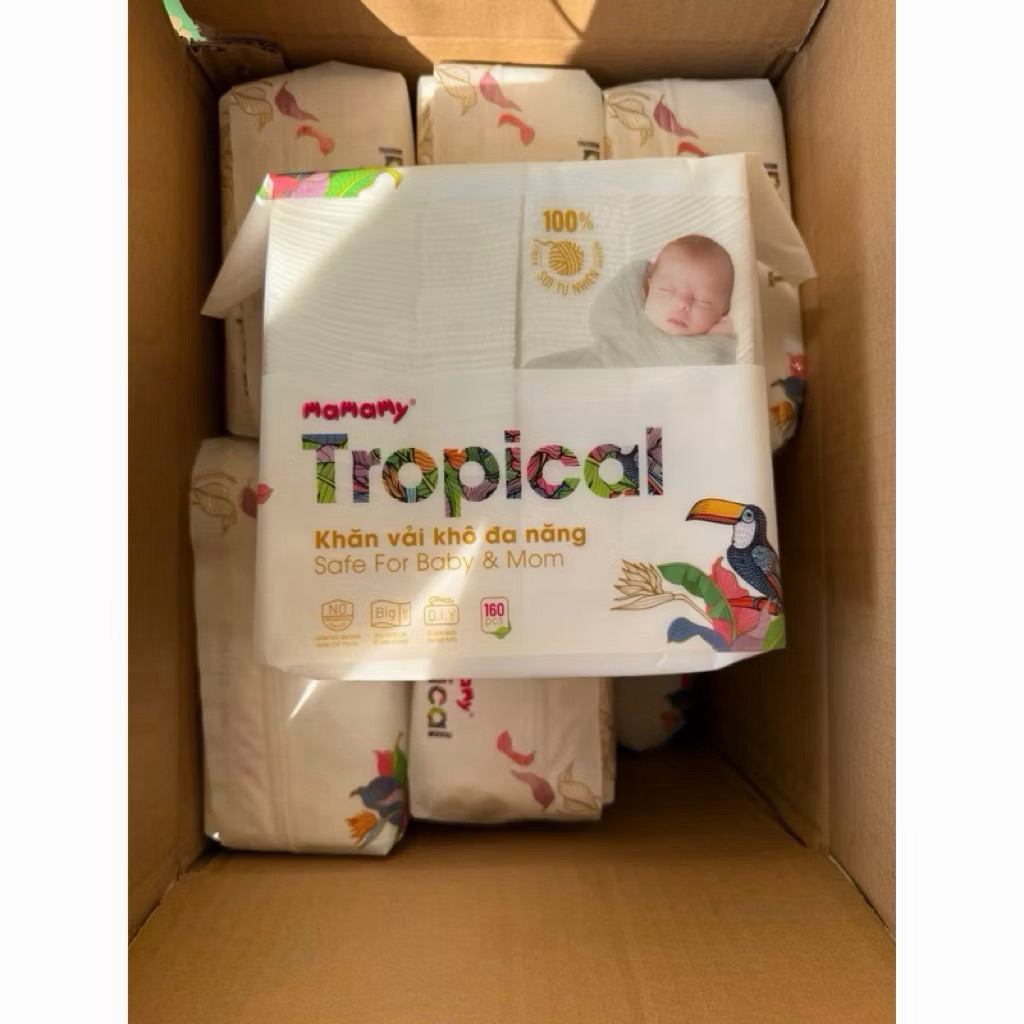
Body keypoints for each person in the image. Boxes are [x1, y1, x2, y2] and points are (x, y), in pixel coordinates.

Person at [526, 234, 738, 368]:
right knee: (536, 375)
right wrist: (637, 274)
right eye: (666, 290)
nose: (682, 304)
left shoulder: (700, 351)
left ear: (723, 311)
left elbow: (710, 370)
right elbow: (603, 314)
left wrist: (718, 341)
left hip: (632, 408)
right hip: (594, 369)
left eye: (703, 301)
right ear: (648, 286)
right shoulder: (628, 318)